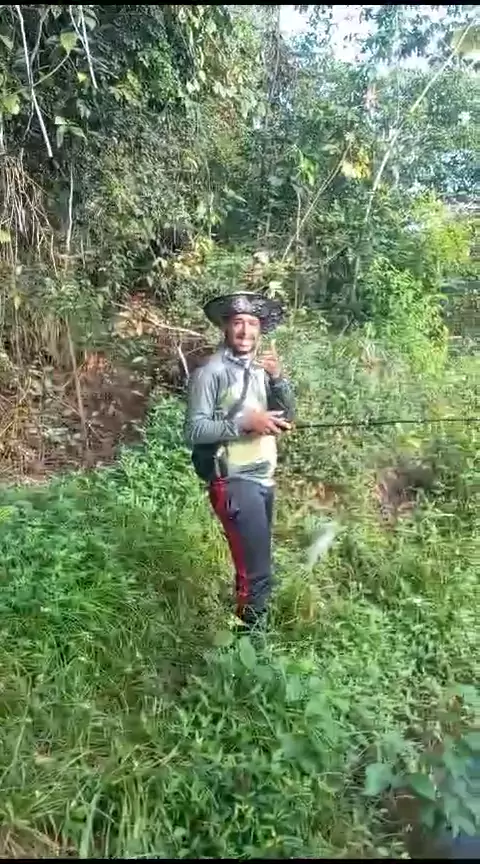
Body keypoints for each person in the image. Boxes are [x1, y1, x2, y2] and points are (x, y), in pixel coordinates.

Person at [184, 291, 295, 630]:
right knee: (257, 573)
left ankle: (245, 633)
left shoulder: (260, 371)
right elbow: (194, 430)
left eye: (252, 324)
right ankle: (250, 644)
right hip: (233, 480)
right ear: (225, 327)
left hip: (263, 479)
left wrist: (278, 380)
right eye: (238, 323)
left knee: (253, 565)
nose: (245, 331)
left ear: (260, 330)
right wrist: (244, 424)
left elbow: (287, 417)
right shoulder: (210, 372)